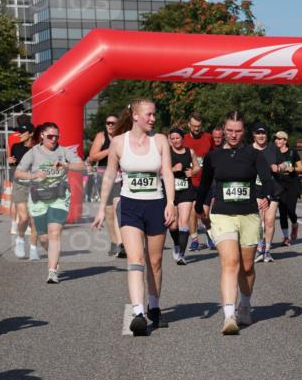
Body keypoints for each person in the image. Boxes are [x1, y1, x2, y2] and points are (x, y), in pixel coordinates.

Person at [92, 99, 176, 336]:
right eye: (149, 115)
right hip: (130, 205)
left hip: (156, 204)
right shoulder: (118, 142)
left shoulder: (159, 141)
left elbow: (167, 173)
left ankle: (155, 307)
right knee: (135, 259)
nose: (153, 119)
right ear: (136, 116)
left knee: (155, 262)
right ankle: (138, 313)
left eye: (154, 115)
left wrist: (170, 203)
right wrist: (101, 208)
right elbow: (109, 175)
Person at [195, 110, 277, 335]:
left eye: (238, 131)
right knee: (230, 262)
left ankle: (245, 305)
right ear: (223, 129)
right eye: (229, 131)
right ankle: (229, 315)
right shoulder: (214, 156)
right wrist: (199, 206)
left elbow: (267, 179)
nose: (233, 135)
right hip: (222, 214)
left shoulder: (254, 155)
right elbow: (205, 184)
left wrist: (266, 196)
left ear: (244, 131)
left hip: (248, 214)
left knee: (247, 267)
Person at [14, 122, 87, 283]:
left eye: (56, 136)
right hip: (38, 197)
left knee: (54, 232)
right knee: (44, 238)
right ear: (42, 136)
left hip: (59, 196)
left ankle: (52, 271)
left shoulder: (64, 151)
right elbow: (18, 173)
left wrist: (66, 164)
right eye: (50, 136)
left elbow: (82, 166)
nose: (53, 139)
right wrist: (33, 176)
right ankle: (53, 256)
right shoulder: (33, 153)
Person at [87, 114, 125, 257]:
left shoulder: (122, 137)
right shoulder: (101, 136)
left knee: (118, 207)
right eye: (108, 123)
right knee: (109, 212)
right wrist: (110, 150)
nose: (110, 125)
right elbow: (92, 157)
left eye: (113, 123)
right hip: (104, 175)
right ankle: (114, 242)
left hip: (120, 175)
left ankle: (122, 244)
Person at [167, 126, 200, 264]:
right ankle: (176, 244)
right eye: (173, 138)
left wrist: (192, 172)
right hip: (171, 192)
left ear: (182, 138)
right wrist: (173, 169)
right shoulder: (166, 153)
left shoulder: (189, 152)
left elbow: (198, 167)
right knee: (173, 226)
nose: (175, 141)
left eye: (178, 138)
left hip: (186, 190)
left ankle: (181, 254)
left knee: (183, 222)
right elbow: (159, 171)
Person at [8, 124, 40, 260]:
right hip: (20, 185)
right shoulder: (16, 147)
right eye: (18, 132)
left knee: (35, 221)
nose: (19, 134)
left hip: (37, 186)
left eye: (22, 131)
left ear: (31, 133)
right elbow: (14, 167)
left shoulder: (40, 149)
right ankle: (20, 239)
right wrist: (9, 162)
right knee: (24, 217)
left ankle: (33, 249)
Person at [183, 112, 214, 252]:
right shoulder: (183, 140)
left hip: (206, 182)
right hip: (190, 182)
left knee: (204, 213)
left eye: (199, 126)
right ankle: (194, 240)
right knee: (192, 212)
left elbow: (215, 155)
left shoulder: (208, 138)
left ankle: (209, 233)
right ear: (189, 125)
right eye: (194, 126)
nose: (196, 129)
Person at [251, 124, 280, 262]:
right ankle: (259, 248)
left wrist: (279, 167)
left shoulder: (273, 149)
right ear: (254, 135)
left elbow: (285, 164)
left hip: (273, 188)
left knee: (269, 221)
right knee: (259, 221)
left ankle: (267, 250)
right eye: (258, 133)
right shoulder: (248, 150)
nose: (261, 136)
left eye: (263, 133)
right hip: (256, 189)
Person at [273, 131, 302, 245]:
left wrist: (293, 169)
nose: (277, 141)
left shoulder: (292, 152)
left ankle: (294, 224)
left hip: (292, 185)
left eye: (280, 139)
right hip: (279, 185)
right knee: (282, 212)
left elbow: (300, 167)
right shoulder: (273, 153)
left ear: (285, 140)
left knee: (290, 210)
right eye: (276, 139)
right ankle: (285, 237)